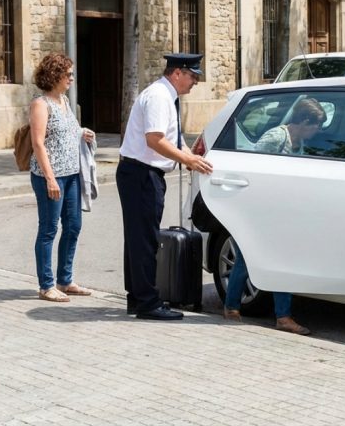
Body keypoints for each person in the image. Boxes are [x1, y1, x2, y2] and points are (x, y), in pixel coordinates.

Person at [118, 53, 213, 321]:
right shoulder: (160, 97)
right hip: (141, 174)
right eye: (193, 76)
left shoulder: (166, 95)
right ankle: (148, 302)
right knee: (145, 240)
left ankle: (138, 297)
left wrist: (190, 156)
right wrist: (187, 159)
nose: (195, 82)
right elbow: (155, 140)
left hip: (142, 173)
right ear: (177, 73)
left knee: (138, 239)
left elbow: (172, 139)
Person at [223, 97, 325, 335]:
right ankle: (235, 308)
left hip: (282, 212)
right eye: (316, 125)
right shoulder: (275, 137)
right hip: (260, 211)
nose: (318, 131)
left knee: (280, 260)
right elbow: (254, 171)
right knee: (246, 260)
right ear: (304, 121)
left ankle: (279, 315)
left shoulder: (299, 142)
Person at [29, 53, 95, 302]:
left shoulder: (64, 101)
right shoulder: (40, 104)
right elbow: (38, 143)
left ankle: (65, 280)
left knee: (74, 226)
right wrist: (50, 178)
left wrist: (82, 133)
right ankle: (46, 285)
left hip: (72, 174)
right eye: (68, 74)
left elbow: (67, 130)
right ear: (54, 75)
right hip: (51, 176)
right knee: (48, 229)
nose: (72, 78)